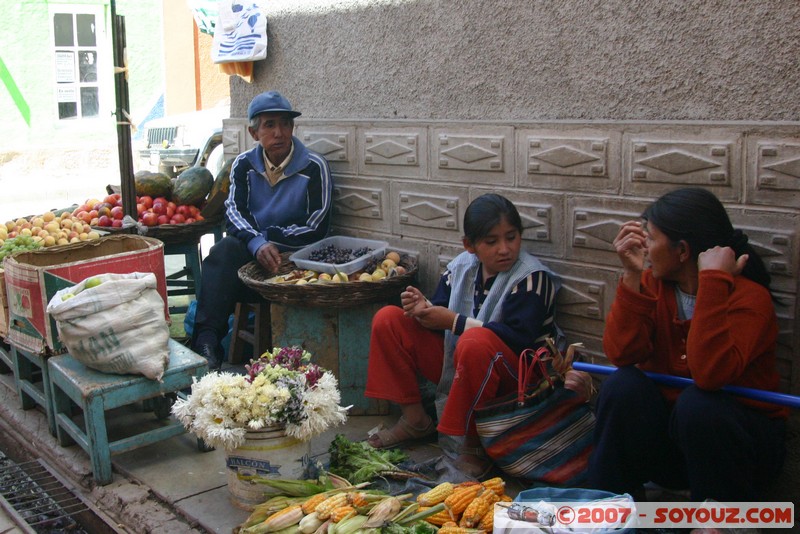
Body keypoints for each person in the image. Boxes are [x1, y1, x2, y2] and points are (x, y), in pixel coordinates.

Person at [589, 187, 787, 502]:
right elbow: (622, 354)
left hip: (736, 453)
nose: (645, 246)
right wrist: (631, 275)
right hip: (675, 445)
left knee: (699, 403)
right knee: (622, 384)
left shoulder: (749, 298)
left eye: (651, 238)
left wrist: (712, 283)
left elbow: (709, 375)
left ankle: (720, 518)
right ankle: (608, 504)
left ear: (682, 251)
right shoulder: (654, 284)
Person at [364, 193, 561, 478]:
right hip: (464, 364)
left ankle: (473, 445)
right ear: (470, 245)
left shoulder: (531, 278)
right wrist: (423, 309)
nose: (504, 249)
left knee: (474, 342)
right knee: (389, 319)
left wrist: (454, 322)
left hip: (516, 379)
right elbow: (441, 313)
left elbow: (518, 339)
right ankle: (415, 420)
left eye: (511, 237)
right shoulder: (461, 268)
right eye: (491, 242)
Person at [192, 91, 333, 369]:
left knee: (239, 247)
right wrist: (256, 244)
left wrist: (265, 240)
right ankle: (206, 342)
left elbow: (317, 226)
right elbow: (234, 213)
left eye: (285, 124)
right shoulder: (243, 165)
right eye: (269, 125)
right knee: (224, 251)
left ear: (293, 127)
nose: (279, 132)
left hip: (294, 265)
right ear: (254, 133)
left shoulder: (314, 167)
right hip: (252, 262)